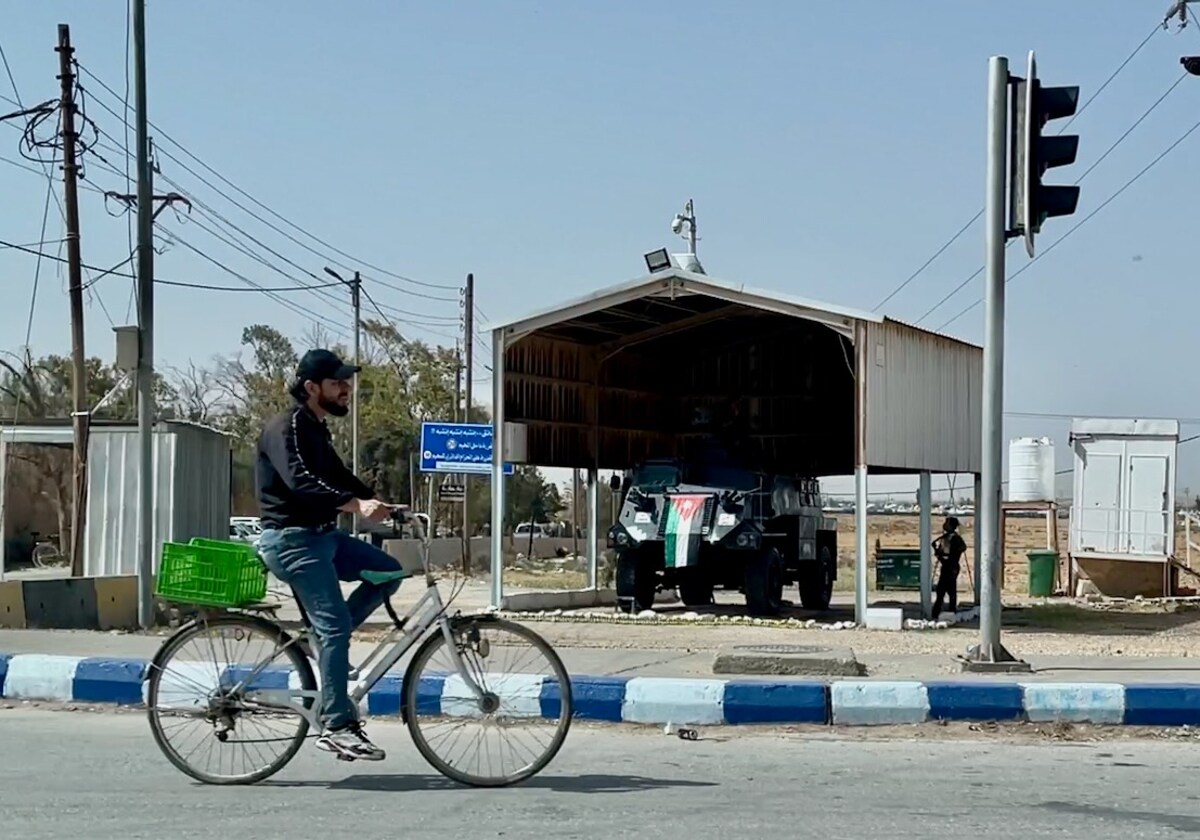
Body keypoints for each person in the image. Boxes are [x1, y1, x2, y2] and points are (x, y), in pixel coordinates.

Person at [255, 348, 406, 762]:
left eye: (347, 383)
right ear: (311, 387)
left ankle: (325, 640)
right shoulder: (285, 428)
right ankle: (337, 726)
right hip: (292, 542)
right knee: (336, 627)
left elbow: (339, 477)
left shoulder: (316, 428)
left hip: (322, 538)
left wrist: (381, 503)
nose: (347, 390)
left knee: (389, 571)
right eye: (338, 383)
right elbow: (300, 481)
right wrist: (357, 507)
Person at [932, 516, 967, 620]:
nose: (944, 525)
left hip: (951, 567)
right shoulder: (946, 537)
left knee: (944, 590)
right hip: (947, 566)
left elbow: (961, 548)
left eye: (946, 523)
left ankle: (939, 612)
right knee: (946, 590)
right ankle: (947, 611)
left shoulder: (954, 538)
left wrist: (950, 554)